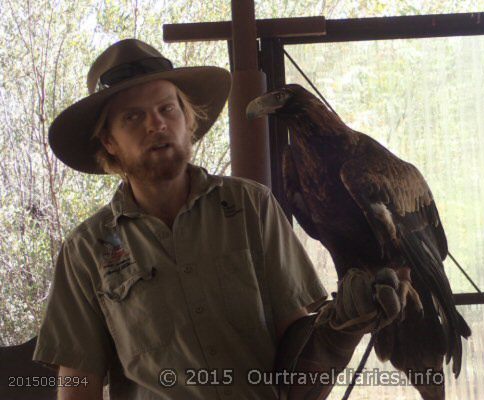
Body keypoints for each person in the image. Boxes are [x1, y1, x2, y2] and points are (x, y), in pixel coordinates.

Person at [33, 38, 403, 400]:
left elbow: (297, 370)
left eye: (167, 109)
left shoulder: (251, 207)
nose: (156, 125)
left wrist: (340, 330)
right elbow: (79, 385)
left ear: (188, 121)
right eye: (133, 117)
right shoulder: (87, 250)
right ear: (109, 142)